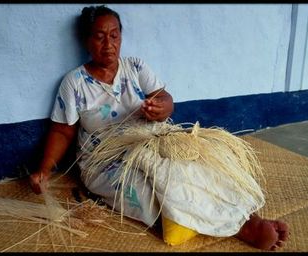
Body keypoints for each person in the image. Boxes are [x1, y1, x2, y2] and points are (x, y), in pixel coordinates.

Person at [30, 5, 289, 251]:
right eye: (99, 37)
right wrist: (45, 169)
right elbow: (62, 131)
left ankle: (246, 215)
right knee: (151, 191)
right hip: (105, 161)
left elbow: (165, 98)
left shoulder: (135, 66)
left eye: (114, 35)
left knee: (199, 166)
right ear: (86, 41)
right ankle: (241, 228)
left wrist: (162, 108)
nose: (108, 45)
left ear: (121, 36)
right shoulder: (74, 83)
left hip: (151, 138)